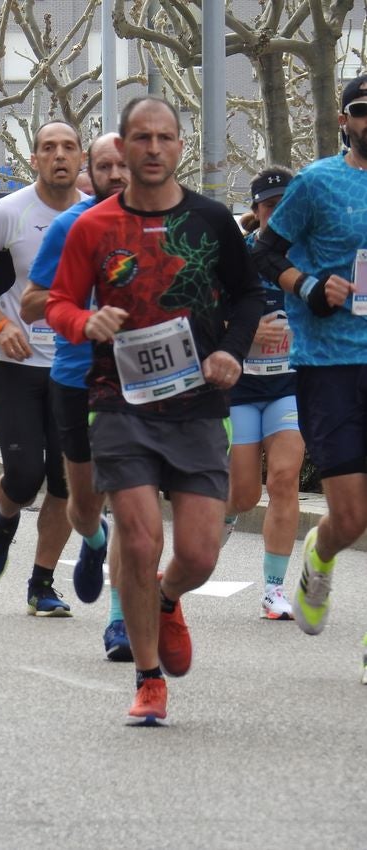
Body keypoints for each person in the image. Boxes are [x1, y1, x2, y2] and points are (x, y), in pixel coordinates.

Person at [46, 96, 263, 724]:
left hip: (197, 406)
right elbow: (58, 303)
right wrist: (86, 321)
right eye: (141, 137)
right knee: (139, 541)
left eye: (164, 137)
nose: (152, 148)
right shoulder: (94, 227)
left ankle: (169, 598)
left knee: (198, 555)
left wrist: (230, 350)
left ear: (179, 146)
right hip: (121, 403)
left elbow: (248, 295)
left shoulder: (213, 221)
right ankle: (147, 678)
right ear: (124, 145)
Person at [0, 120, 85, 617]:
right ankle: (6, 517)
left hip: (75, 362)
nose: (59, 156)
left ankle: (41, 583)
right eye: (48, 148)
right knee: (25, 477)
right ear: (35, 159)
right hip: (15, 359)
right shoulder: (11, 211)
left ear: (81, 157)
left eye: (69, 147)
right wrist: (1, 324)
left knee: (67, 481)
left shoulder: (96, 214)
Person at [250, 73, 367, 648]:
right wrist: (309, 286)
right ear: (345, 120)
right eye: (363, 110)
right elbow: (265, 250)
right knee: (350, 518)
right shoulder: (319, 183)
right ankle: (319, 559)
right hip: (330, 365)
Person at [19, 131, 131, 659]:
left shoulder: (167, 225)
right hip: (76, 377)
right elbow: (31, 303)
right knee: (84, 508)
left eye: (123, 165)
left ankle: (121, 622)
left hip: (140, 383)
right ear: (93, 171)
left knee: (135, 500)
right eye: (105, 166)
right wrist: (83, 315)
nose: (116, 174)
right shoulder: (71, 227)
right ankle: (92, 538)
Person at [221, 167, 305, 621]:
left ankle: (274, 591)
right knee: (245, 495)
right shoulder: (237, 256)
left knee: (285, 478)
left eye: (286, 205)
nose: (279, 214)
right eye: (270, 206)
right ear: (256, 211)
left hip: (288, 386)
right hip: (241, 387)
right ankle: (225, 518)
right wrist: (248, 332)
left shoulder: (311, 254)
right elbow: (207, 319)